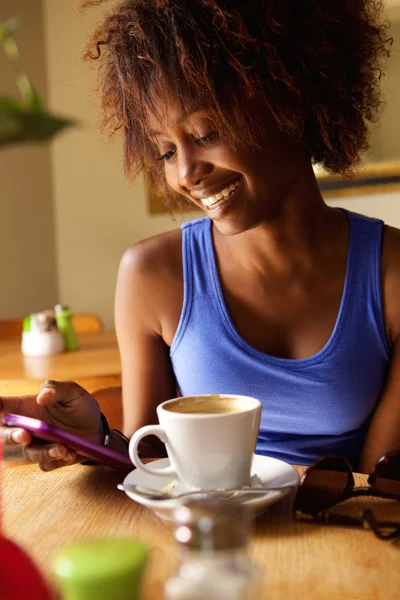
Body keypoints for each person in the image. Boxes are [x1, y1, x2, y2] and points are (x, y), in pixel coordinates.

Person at [0, 0, 398, 474]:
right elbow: (151, 462)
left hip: (340, 529)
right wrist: (99, 437)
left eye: (207, 133)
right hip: (204, 532)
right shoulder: (153, 276)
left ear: (289, 103)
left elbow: (381, 480)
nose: (186, 173)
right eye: (166, 151)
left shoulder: (391, 273)